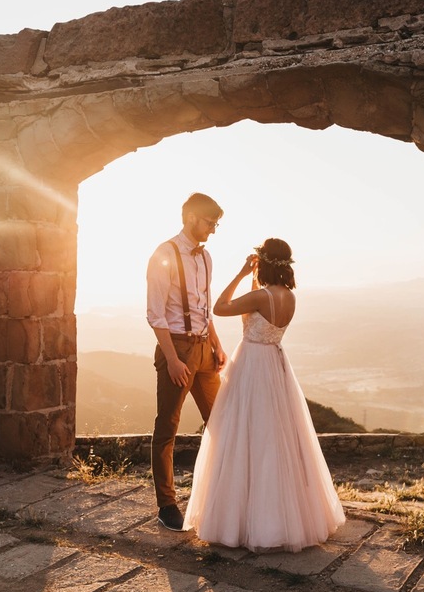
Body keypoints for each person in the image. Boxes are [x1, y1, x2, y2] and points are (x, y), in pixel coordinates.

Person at [184, 238, 345, 551]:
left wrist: (243, 273)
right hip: (275, 363)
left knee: (244, 437)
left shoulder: (259, 296)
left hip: (252, 366)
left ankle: (242, 520)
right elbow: (265, 313)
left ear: (263, 262)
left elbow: (219, 307)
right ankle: (283, 518)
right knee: (276, 438)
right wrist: (257, 279)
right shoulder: (289, 298)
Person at [146, 192, 227, 531]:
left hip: (205, 349)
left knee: (223, 421)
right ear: (192, 218)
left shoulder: (206, 258)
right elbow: (155, 315)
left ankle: (221, 498)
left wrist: (217, 344)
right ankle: (167, 505)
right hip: (176, 349)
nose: (213, 230)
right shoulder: (164, 254)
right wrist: (173, 360)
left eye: (216, 224)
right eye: (210, 223)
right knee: (167, 428)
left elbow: (203, 308)